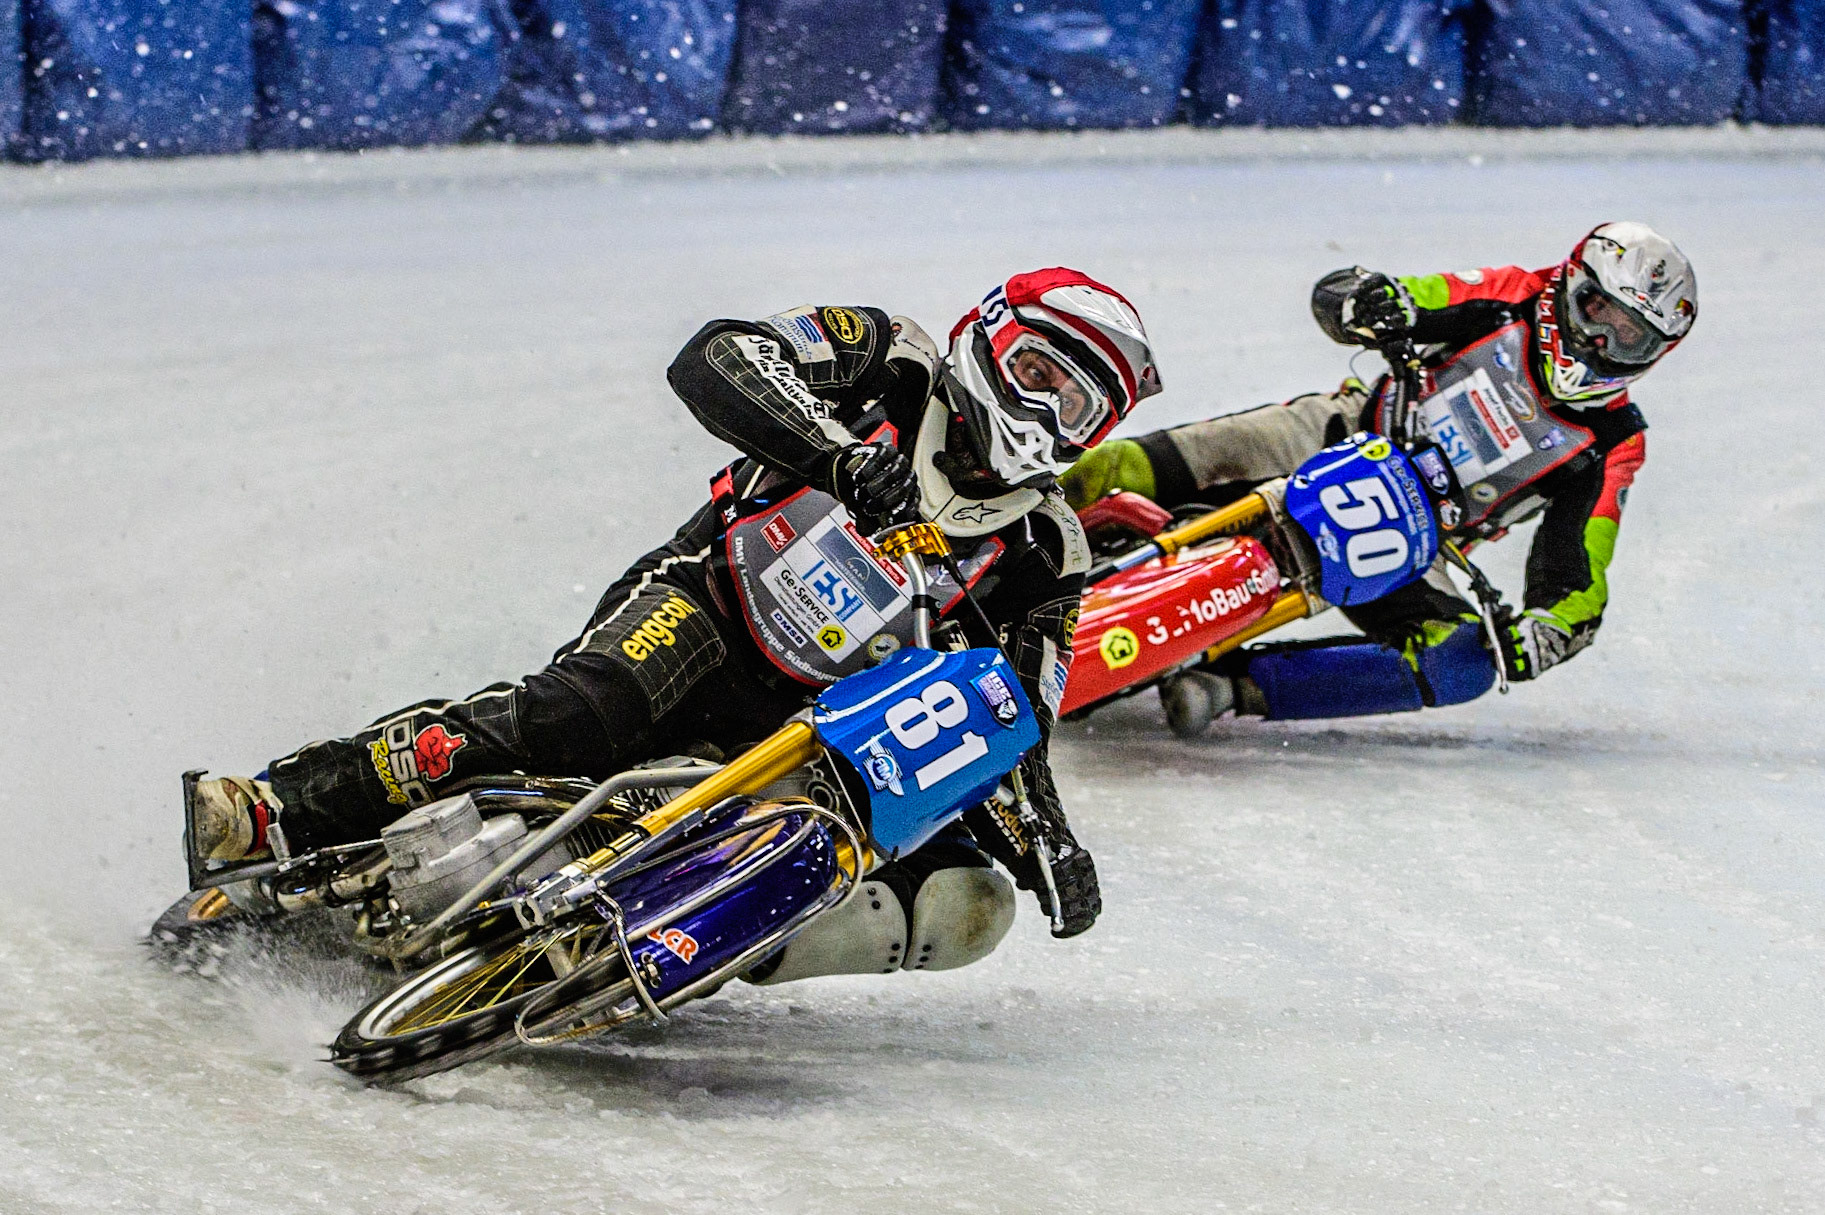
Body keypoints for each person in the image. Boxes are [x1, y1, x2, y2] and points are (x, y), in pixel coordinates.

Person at [189, 267, 1162, 977]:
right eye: (1039, 370)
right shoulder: (888, 360)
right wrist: (835, 459)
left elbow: (1017, 715)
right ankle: (279, 804)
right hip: (710, 600)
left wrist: (1051, 843)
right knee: (576, 717)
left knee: (963, 905)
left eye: (1080, 405)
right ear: (988, 336)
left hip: (817, 727)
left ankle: (660, 958)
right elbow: (717, 356)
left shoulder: (1047, 549)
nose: (1045, 411)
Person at [1062, 222, 1694, 722]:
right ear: (1568, 286)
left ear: (1654, 356)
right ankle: (991, 527)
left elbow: (1580, 567)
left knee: (1460, 663)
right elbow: (1398, 295)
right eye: (1597, 314)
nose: (1601, 345)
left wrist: (1546, 632)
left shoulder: (1615, 442)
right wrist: (1370, 300)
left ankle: (1233, 689)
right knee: (1118, 466)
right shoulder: (1509, 296)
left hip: (1412, 542)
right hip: (1340, 432)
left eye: (1630, 337)